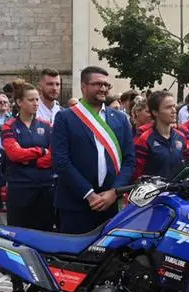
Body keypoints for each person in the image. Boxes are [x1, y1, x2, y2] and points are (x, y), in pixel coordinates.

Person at [52, 66, 136, 234]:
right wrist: (89, 194)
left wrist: (114, 192)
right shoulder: (65, 117)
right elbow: (61, 161)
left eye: (106, 84)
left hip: (110, 203)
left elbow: (129, 160)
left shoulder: (120, 118)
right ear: (84, 86)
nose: (103, 88)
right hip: (75, 203)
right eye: (98, 84)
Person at [1, 81, 54, 228]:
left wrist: (32, 160)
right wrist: (41, 151)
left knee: (44, 230)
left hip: (45, 186)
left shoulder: (47, 125)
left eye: (37, 99)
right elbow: (14, 154)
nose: (36, 103)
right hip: (20, 187)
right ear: (19, 102)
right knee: (19, 231)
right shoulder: (9, 126)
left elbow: (53, 155)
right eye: (31, 100)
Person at [133, 91, 187, 180]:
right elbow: (137, 175)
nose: (174, 110)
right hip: (154, 191)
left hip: (178, 191)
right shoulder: (144, 140)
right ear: (155, 112)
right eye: (168, 107)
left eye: (174, 106)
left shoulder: (181, 136)